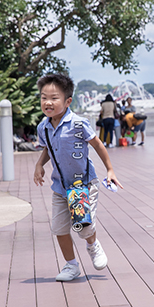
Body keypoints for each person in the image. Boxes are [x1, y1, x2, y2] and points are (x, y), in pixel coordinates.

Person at [34, 74, 123, 282]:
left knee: (82, 224)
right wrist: (39, 164)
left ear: (67, 101)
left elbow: (98, 145)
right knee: (59, 228)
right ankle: (71, 265)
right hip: (60, 187)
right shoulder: (43, 127)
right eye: (43, 97)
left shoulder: (79, 124)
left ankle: (92, 244)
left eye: (54, 98)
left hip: (83, 185)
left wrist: (110, 170)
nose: (48, 102)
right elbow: (48, 148)